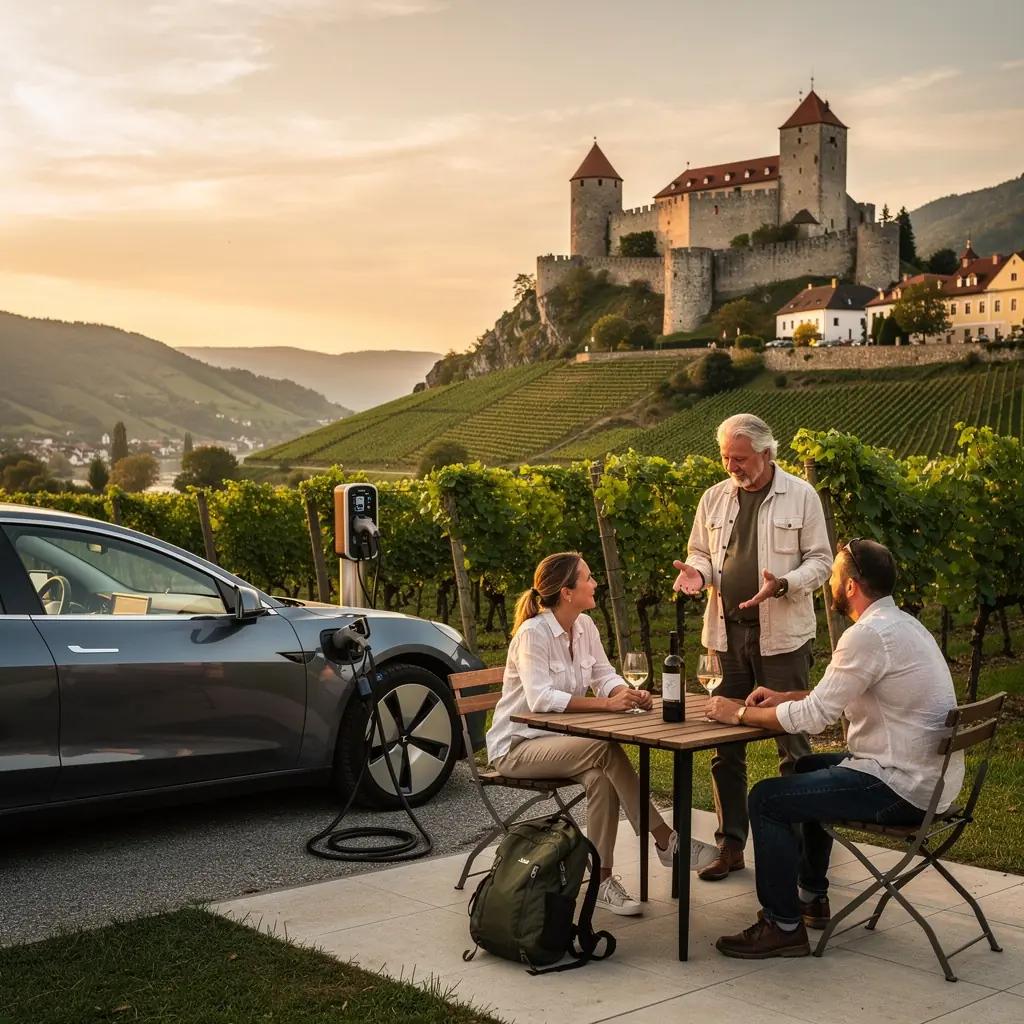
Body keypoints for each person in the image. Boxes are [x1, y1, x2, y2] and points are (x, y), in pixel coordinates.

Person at [705, 539, 964, 959]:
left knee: (766, 797)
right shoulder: (904, 625)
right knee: (806, 765)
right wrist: (784, 696)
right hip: (932, 782)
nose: (829, 582)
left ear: (851, 586)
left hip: (901, 790)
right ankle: (811, 895)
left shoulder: (867, 635)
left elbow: (814, 717)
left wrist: (737, 714)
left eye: (835, 575)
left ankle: (782, 925)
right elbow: (836, 695)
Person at [487, 551, 719, 916]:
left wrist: (623, 692)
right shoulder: (533, 634)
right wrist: (607, 707)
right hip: (517, 747)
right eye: (588, 578)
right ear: (566, 592)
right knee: (604, 750)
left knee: (601, 777)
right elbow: (541, 699)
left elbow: (603, 674)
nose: (595, 583)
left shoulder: (585, 627)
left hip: (561, 744)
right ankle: (665, 840)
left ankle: (601, 880)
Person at [672, 413, 832, 881]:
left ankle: (805, 858)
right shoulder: (714, 498)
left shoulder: (801, 495)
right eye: (725, 457)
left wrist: (783, 584)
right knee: (725, 744)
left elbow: (822, 562)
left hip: (782, 637)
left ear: (766, 452)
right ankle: (730, 845)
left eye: (739, 458)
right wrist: (696, 574)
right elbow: (701, 552)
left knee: (793, 740)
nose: (731, 466)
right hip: (726, 636)